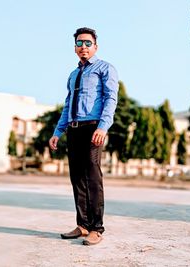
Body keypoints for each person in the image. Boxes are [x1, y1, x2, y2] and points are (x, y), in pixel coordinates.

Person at [49, 27, 118, 245]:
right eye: (80, 43)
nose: (83, 47)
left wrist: (103, 127)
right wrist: (58, 131)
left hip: (93, 129)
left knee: (92, 177)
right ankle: (83, 225)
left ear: (95, 47)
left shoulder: (105, 68)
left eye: (88, 43)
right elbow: (68, 104)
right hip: (74, 129)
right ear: (75, 47)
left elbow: (110, 99)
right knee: (77, 178)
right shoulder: (73, 74)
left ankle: (96, 228)